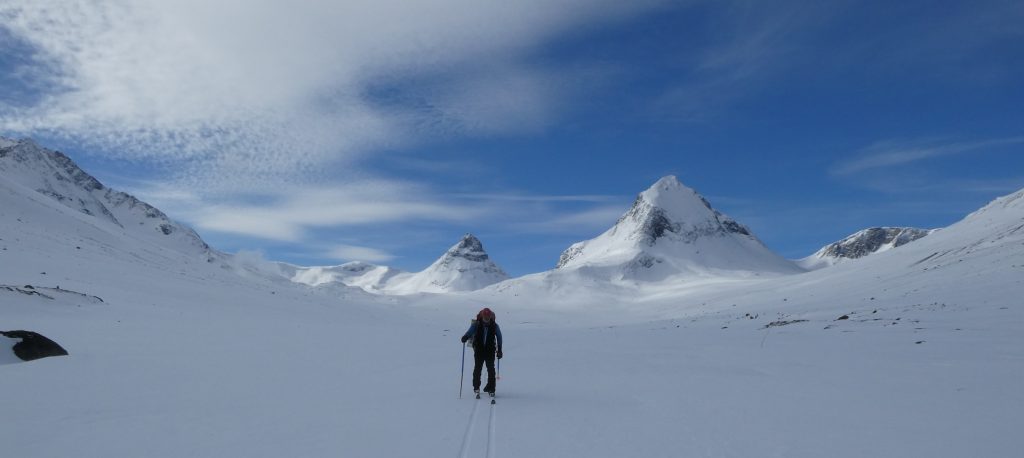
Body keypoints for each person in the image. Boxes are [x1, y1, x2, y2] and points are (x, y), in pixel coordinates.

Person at [460, 307, 503, 396]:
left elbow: (499, 337)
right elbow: (470, 332)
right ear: (482, 316)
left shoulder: (494, 326)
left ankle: (491, 388)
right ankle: (476, 387)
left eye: (488, 317)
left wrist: (499, 350)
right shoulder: (476, 324)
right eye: (485, 316)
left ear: (490, 316)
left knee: (491, 369)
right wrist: (465, 337)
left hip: (490, 350)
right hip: (479, 350)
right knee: (478, 368)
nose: (486, 318)